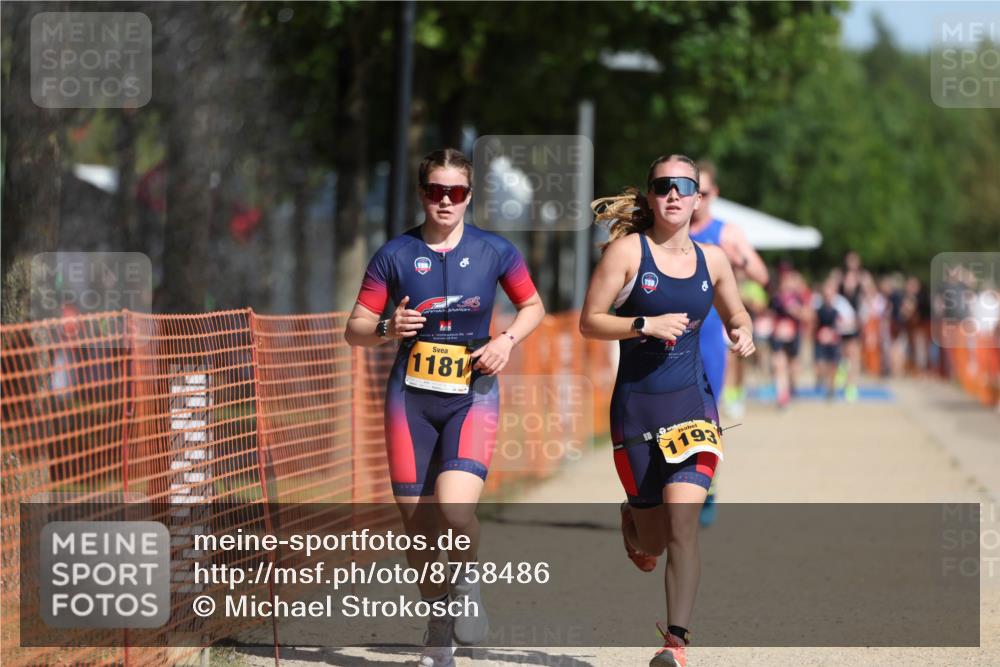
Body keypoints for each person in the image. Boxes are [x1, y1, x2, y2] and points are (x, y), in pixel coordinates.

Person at [345, 148, 545, 667]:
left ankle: (467, 581)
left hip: (472, 394)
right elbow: (355, 329)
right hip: (410, 399)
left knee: (455, 511)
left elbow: (533, 306)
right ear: (422, 194)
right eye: (436, 191)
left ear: (469, 196)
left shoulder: (495, 251)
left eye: (456, 192)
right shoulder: (394, 254)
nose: (446, 201)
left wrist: (506, 341)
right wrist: (388, 327)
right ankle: (438, 626)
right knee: (417, 523)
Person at [580, 154, 754, 667]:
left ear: (698, 198)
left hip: (692, 407)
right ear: (651, 197)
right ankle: (632, 522)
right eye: (662, 186)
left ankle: (675, 644)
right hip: (636, 412)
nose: (673, 194)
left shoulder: (714, 260)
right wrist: (642, 325)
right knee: (654, 541)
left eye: (683, 186)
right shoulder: (627, 253)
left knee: (683, 524)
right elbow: (589, 322)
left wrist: (742, 329)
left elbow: (737, 310)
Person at [687, 160, 768, 526]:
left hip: (709, 333)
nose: (696, 199)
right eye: (691, 191)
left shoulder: (726, 231)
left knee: (705, 417)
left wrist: (738, 258)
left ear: (714, 194)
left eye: (703, 193)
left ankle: (707, 486)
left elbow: (762, 275)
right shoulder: (671, 228)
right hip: (672, 331)